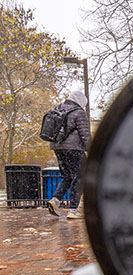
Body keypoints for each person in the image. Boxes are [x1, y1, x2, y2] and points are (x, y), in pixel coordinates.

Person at [47, 91, 90, 219]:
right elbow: (85, 134)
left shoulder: (58, 109)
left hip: (58, 148)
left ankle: (55, 200)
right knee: (80, 176)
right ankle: (73, 209)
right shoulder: (79, 113)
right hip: (74, 148)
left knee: (67, 176)